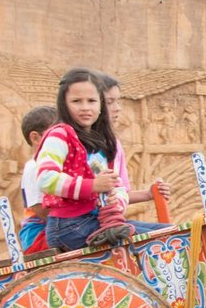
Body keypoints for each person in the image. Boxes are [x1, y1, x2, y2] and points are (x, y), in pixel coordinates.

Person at [35, 68, 157, 250]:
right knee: (155, 243)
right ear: (64, 104)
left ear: (100, 105)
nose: (85, 107)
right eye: (76, 101)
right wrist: (92, 186)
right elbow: (45, 179)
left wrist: (117, 202)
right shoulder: (60, 135)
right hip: (68, 226)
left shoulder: (104, 142)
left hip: (96, 220)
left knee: (168, 233)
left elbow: (118, 187)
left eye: (91, 101)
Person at [98, 73, 171, 217]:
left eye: (118, 101)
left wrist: (150, 193)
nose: (117, 108)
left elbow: (121, 192)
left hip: (112, 220)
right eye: (109, 102)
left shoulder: (115, 144)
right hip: (91, 223)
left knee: (174, 234)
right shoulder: (82, 144)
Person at [18, 105, 59, 255]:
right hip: (39, 235)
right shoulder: (34, 166)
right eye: (57, 136)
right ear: (35, 138)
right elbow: (38, 208)